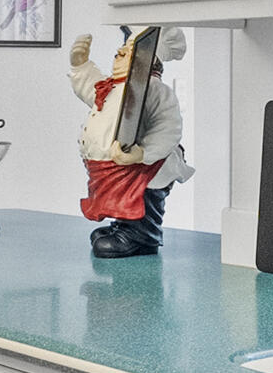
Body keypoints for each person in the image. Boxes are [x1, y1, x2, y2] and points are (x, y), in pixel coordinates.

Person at [69, 26, 192, 257]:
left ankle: (142, 236)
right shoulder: (113, 87)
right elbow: (90, 88)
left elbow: (168, 128)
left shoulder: (155, 91)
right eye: (123, 47)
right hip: (113, 168)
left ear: (149, 59)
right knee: (122, 198)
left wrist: (142, 155)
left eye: (129, 49)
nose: (120, 51)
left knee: (143, 197)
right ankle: (124, 226)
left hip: (146, 168)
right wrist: (81, 64)